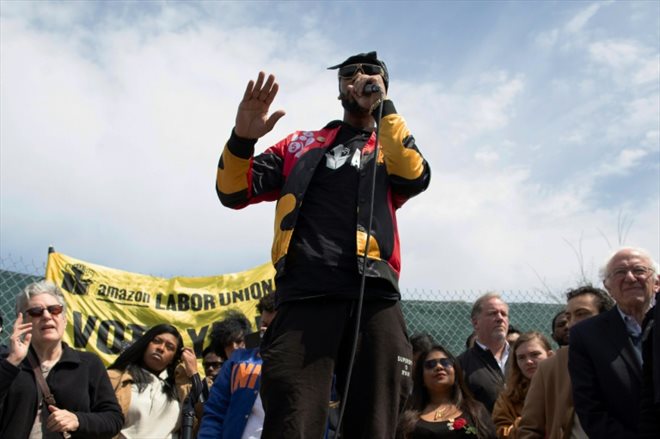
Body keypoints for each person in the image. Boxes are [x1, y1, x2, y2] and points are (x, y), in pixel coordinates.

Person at [215, 50, 430, 437]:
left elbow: (414, 176)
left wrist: (385, 109)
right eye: (350, 73)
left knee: (375, 422)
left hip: (374, 296)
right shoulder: (300, 144)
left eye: (372, 73)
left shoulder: (389, 145)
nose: (361, 77)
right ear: (339, 88)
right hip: (304, 294)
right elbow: (232, 191)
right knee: (290, 419)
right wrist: (242, 139)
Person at [0, 280, 123, 438]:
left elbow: (114, 419)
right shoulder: (6, 361)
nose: (46, 316)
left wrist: (78, 420)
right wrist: (12, 361)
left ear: (64, 320)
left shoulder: (88, 364)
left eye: (55, 310)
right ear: (23, 322)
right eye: (36, 311)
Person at [568, 247, 659, 438]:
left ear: (656, 282)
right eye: (620, 272)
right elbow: (590, 409)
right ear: (607, 287)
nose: (630, 277)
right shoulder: (586, 336)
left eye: (639, 270)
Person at [517, 285, 614, 439]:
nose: (571, 324)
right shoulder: (550, 368)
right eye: (569, 317)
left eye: (581, 314)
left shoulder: (626, 357)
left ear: (606, 317)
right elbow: (529, 429)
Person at [198, 295, 277, 438]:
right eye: (264, 324)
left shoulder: (306, 362)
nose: (266, 331)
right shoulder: (239, 361)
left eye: (273, 326)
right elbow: (215, 411)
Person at [107, 323, 199, 439]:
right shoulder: (114, 378)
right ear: (145, 345)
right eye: (156, 341)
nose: (161, 348)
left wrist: (193, 373)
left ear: (173, 358)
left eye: (169, 347)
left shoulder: (181, 389)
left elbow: (204, 415)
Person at [397, 344, 496, 438]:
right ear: (421, 377)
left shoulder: (475, 411)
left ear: (455, 371)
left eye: (445, 362)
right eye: (430, 364)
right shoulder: (408, 419)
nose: (439, 367)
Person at [492, 332, 553, 438]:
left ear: (550, 355)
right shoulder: (507, 397)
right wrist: (530, 417)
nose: (528, 361)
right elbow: (500, 433)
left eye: (535, 354)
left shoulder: (567, 386)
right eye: (521, 357)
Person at [458, 293, 510, 413]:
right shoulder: (461, 365)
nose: (500, 318)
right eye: (493, 313)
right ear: (476, 323)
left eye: (504, 314)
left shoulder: (522, 359)